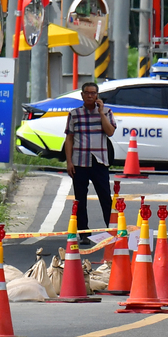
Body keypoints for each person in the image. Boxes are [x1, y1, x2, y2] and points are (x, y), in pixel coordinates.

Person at [64, 81, 116, 231]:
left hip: (99, 161)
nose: (90, 96)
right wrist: (69, 162)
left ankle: (111, 230)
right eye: (87, 93)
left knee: (105, 198)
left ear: (97, 95)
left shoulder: (106, 112)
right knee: (80, 200)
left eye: (93, 93)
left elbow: (110, 132)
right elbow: (69, 139)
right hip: (80, 162)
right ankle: (83, 233)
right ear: (82, 95)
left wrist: (101, 113)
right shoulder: (74, 114)